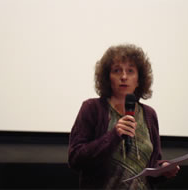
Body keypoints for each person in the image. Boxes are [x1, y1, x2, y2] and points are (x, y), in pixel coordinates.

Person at [68, 44, 180, 189]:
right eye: (117, 71)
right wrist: (113, 136)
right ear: (108, 78)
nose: (124, 77)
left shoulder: (149, 114)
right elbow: (75, 159)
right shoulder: (92, 108)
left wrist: (163, 169)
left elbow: (151, 166)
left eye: (130, 71)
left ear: (139, 80)